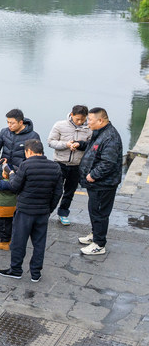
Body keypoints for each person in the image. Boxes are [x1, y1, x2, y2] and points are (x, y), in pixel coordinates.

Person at [0, 139, 63, 282]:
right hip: (43, 211)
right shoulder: (55, 167)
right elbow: (58, 192)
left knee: (19, 242)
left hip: (25, 211)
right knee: (39, 243)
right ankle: (35, 273)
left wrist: (12, 173)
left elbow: (14, 186)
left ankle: (16, 270)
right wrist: (49, 209)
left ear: (29, 151)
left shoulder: (26, 165)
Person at [77, 107, 124, 256]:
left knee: (99, 213)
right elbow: (94, 148)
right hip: (96, 184)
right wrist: (80, 144)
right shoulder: (99, 132)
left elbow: (108, 163)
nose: (87, 123)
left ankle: (99, 244)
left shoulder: (110, 137)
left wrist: (93, 175)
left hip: (103, 184)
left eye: (90, 120)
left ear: (100, 120)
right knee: (94, 209)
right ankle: (94, 234)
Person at [47, 105, 92, 226]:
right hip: (60, 163)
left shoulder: (89, 128)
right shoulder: (60, 125)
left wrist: (79, 145)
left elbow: (91, 146)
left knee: (70, 191)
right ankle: (47, 212)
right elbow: (50, 142)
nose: (80, 122)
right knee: (54, 190)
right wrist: (66, 145)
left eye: (83, 119)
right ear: (71, 115)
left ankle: (63, 213)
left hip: (77, 165)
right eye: (77, 119)